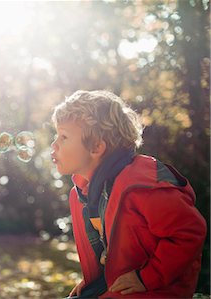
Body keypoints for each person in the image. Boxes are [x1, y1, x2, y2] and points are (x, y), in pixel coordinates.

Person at [50, 90, 207, 298]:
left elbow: (189, 232)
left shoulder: (141, 185)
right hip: (119, 286)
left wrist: (147, 277)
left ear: (96, 146)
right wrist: (94, 283)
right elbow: (111, 250)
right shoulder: (85, 192)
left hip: (157, 289)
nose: (54, 144)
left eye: (64, 136)